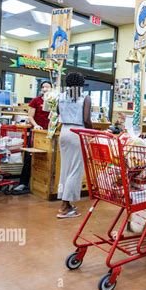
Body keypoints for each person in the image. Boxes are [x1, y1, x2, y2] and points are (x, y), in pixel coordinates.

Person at [57, 72, 92, 219]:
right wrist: (93, 131)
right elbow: (86, 119)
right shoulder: (85, 97)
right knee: (75, 170)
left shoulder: (61, 96)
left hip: (64, 131)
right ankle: (65, 207)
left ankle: (66, 203)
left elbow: (58, 112)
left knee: (65, 169)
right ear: (81, 84)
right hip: (77, 132)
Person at [12, 80, 52, 195]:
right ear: (41, 89)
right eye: (43, 87)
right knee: (30, 156)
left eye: (48, 87)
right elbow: (30, 116)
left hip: (48, 133)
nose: (45, 88)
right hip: (36, 132)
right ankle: (23, 182)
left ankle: (40, 183)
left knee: (46, 157)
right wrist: (36, 126)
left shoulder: (54, 102)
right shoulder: (36, 100)